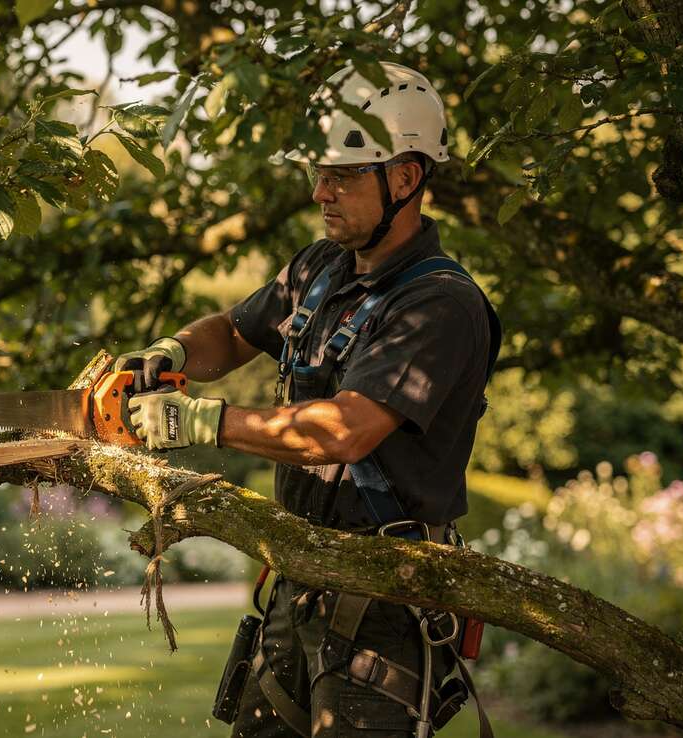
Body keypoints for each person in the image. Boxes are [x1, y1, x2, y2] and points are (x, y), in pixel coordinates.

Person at [115, 62, 499, 738]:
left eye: (344, 175)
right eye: (319, 172)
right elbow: (232, 333)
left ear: (406, 178)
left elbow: (342, 432)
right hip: (297, 581)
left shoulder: (440, 304)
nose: (321, 191)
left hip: (384, 596)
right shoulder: (321, 268)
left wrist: (205, 421)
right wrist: (170, 353)